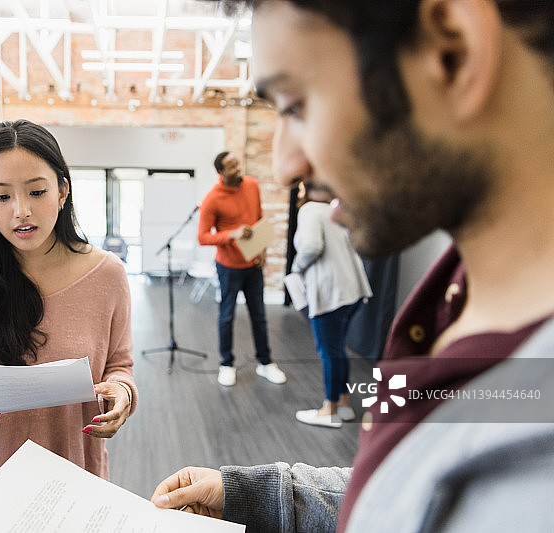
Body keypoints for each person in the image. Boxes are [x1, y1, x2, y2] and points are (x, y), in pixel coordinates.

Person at [152, 0, 554, 531]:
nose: (285, 165)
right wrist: (258, 496)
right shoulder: (448, 299)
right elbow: (405, 486)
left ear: (452, 52)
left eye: (295, 106)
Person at [0, 119, 138, 508]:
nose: (21, 211)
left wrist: (121, 392)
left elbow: (119, 365)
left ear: (63, 190)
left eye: (37, 191)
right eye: (2, 197)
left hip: (77, 484)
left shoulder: (108, 274)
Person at [198, 151, 287, 387]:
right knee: (226, 316)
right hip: (228, 267)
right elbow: (203, 237)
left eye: (238, 164)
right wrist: (231, 234)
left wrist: (262, 251)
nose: (238, 169)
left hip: (253, 265)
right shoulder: (212, 199)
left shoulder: (252, 185)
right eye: (231, 166)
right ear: (220, 172)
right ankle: (226, 364)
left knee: (259, 315)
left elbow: (258, 219)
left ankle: (265, 363)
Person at [292, 182, 372, 428]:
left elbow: (311, 246)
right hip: (352, 289)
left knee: (329, 350)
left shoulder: (309, 211)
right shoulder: (336, 208)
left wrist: (296, 268)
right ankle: (344, 405)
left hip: (331, 292)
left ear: (306, 188)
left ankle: (329, 410)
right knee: (339, 349)